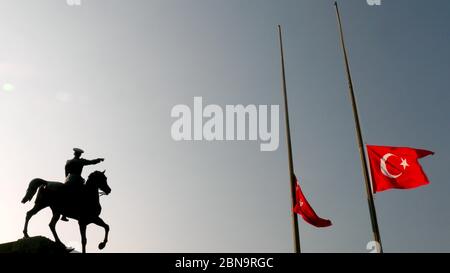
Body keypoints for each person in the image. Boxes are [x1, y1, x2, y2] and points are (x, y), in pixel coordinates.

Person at [61, 148, 104, 221]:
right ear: (79, 154)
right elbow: (91, 162)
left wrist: (68, 179)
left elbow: (66, 173)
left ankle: (64, 214)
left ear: (74, 154)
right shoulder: (81, 161)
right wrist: (99, 160)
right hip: (77, 180)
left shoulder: (68, 161)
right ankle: (83, 209)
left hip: (68, 180)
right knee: (85, 193)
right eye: (80, 154)